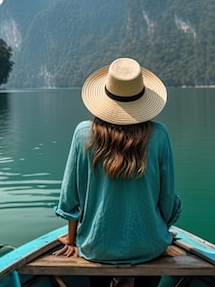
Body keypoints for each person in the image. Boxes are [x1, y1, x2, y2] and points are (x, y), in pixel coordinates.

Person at [54, 57, 182, 287]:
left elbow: (69, 198)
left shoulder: (83, 133)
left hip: (97, 246)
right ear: (142, 97)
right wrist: (160, 234)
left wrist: (72, 240)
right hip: (149, 245)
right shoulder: (159, 135)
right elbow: (167, 199)